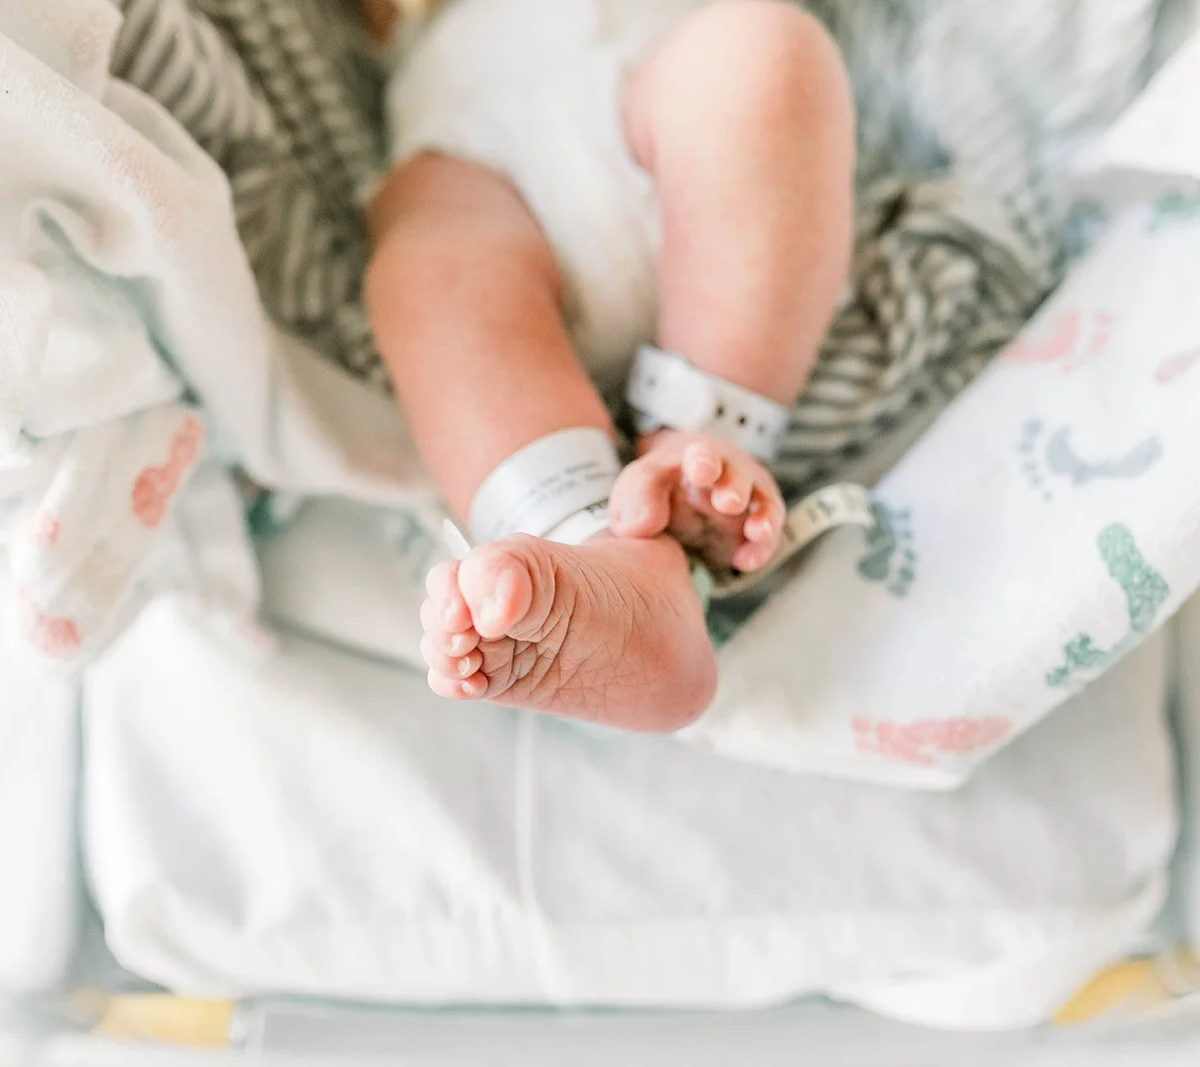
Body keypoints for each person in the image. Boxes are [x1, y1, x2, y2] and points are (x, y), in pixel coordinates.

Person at [362, 0, 855, 730]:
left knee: (767, 60)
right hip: (476, 156)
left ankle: (698, 447)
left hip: (666, 94)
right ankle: (594, 554)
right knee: (425, 272)